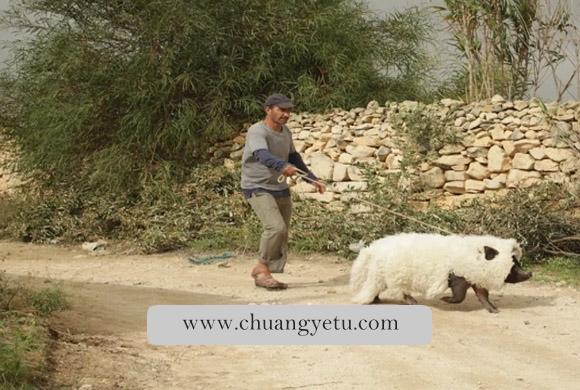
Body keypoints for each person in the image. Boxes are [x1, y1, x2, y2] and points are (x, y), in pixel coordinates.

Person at [241, 93, 325, 290]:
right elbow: (262, 155)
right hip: (257, 185)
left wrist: (312, 179)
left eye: (289, 110)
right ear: (268, 110)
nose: (286, 114)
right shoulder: (257, 131)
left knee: (283, 232)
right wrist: (282, 166)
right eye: (282, 110)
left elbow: (294, 158)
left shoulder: (285, 132)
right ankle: (262, 269)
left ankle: (267, 272)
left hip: (278, 186)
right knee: (275, 228)